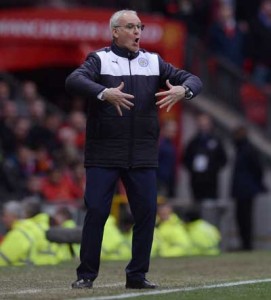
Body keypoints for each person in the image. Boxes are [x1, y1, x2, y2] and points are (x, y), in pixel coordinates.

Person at [65, 9, 202, 289]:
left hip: (142, 154)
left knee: (146, 213)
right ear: (115, 32)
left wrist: (183, 90)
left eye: (139, 26)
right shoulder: (100, 59)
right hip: (104, 153)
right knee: (97, 213)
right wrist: (104, 92)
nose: (137, 31)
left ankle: (137, 275)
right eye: (130, 26)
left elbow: (193, 80)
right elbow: (73, 81)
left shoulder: (153, 61)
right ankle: (86, 275)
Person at [231, 126, 265, 250]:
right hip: (241, 189)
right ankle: (244, 243)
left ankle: (247, 244)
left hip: (247, 189)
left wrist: (256, 184)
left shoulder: (248, 149)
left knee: (246, 217)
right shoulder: (240, 149)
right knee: (241, 217)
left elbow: (257, 169)